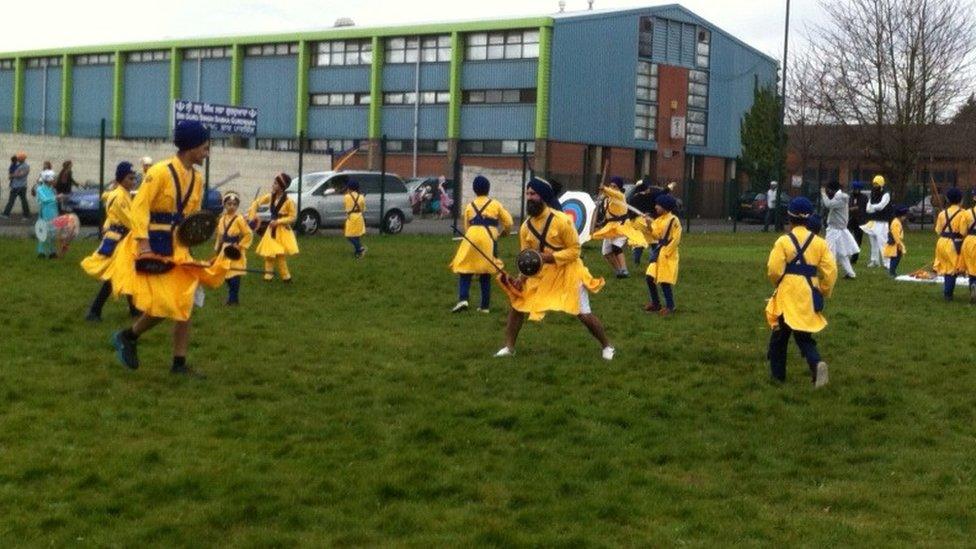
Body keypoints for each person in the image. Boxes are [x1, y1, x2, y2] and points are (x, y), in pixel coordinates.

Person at [110, 120, 226, 376]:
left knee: (184, 305)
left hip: (180, 248)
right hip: (155, 245)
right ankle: (128, 336)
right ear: (191, 147)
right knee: (167, 304)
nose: (207, 152)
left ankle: (179, 363)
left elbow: (191, 215)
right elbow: (140, 206)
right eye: (204, 147)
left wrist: (197, 238)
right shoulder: (159, 172)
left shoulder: (196, 177)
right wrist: (143, 245)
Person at [495, 178, 615, 360]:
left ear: (543, 196)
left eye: (533, 194)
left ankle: (607, 346)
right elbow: (527, 257)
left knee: (583, 313)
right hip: (541, 274)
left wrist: (548, 257)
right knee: (517, 306)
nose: (529, 197)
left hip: (569, 271)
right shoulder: (526, 227)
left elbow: (575, 251)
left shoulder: (562, 220)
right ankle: (509, 347)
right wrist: (521, 278)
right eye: (527, 194)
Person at [765, 197, 837, 388]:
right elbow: (831, 271)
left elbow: (774, 269)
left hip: (787, 294)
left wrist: (778, 282)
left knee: (780, 338)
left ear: (789, 217)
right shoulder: (819, 243)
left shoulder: (783, 241)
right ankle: (816, 363)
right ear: (809, 217)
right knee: (804, 337)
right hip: (808, 293)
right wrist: (823, 290)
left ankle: (778, 376)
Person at [81, 161, 140, 320]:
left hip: (123, 240)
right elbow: (130, 220)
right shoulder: (119, 196)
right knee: (113, 275)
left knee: (127, 272)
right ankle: (94, 311)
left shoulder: (123, 193)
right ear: (121, 179)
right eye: (130, 178)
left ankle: (133, 308)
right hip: (118, 241)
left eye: (134, 178)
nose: (133, 182)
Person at [449, 175, 514, 313]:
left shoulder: (469, 206)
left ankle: (463, 299)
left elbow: (467, 226)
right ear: (488, 189)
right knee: (486, 271)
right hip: (489, 238)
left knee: (465, 269)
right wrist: (504, 233)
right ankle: (484, 306)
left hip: (471, 237)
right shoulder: (495, 204)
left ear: (474, 190)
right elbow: (509, 222)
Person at [592, 176, 646, 278]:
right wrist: (600, 223)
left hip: (622, 226)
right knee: (606, 252)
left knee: (616, 247)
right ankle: (618, 271)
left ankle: (624, 270)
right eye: (611, 185)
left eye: (615, 186)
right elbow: (608, 214)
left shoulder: (620, 196)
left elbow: (614, 193)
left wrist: (604, 188)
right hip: (610, 227)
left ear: (619, 188)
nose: (612, 188)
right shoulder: (607, 199)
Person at [250, 173, 299, 281]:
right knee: (269, 252)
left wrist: (278, 221)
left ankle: (286, 276)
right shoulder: (270, 196)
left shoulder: (288, 201)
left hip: (282, 230)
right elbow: (257, 203)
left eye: (276, 183)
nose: (273, 185)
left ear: (282, 186)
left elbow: (293, 217)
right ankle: (268, 274)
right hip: (271, 229)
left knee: (280, 254)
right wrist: (253, 213)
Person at [643, 194, 682, 315]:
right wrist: (649, 224)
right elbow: (656, 235)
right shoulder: (659, 220)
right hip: (659, 252)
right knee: (650, 277)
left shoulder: (673, 220)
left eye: (658, 205)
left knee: (664, 281)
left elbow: (676, 239)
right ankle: (656, 303)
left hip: (667, 254)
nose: (655, 207)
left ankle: (670, 306)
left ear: (664, 207)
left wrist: (667, 252)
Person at [215, 192, 253, 305]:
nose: (232, 206)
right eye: (229, 204)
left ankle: (233, 299)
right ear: (224, 205)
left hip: (235, 250)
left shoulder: (239, 219)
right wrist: (217, 248)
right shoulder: (222, 219)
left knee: (235, 274)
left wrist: (239, 245)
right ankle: (232, 296)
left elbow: (248, 234)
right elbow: (220, 235)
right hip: (224, 250)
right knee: (225, 274)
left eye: (234, 204)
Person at [820, 180, 859, 279]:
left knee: (829, 252)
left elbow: (828, 204)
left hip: (835, 230)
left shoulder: (840, 198)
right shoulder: (840, 197)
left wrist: (823, 194)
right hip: (838, 229)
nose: (828, 192)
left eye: (828, 190)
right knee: (842, 254)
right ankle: (850, 273)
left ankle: (829, 274)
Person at [933, 187, 966, 301]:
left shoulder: (942, 213)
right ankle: (948, 294)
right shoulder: (963, 213)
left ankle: (947, 292)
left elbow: (938, 230)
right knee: (952, 270)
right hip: (954, 243)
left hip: (941, 242)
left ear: (947, 199)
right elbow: (963, 232)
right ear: (961, 200)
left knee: (946, 268)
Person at [861, 175, 892, 268]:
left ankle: (887, 262)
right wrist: (871, 208)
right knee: (873, 242)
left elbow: (881, 206)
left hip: (882, 222)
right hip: (873, 221)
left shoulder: (886, 194)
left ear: (881, 184)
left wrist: (872, 207)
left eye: (877, 184)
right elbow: (868, 206)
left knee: (882, 242)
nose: (875, 186)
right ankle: (875, 261)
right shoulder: (873, 192)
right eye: (874, 184)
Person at [35, 170, 58, 258]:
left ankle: (52, 252)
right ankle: (42, 252)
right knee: (43, 232)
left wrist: (58, 199)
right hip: (44, 213)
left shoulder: (52, 189)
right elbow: (44, 200)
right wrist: (56, 197)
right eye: (54, 178)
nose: (55, 180)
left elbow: (53, 200)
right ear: (49, 179)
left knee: (53, 232)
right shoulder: (40, 189)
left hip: (53, 212)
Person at [2, 152, 31, 218]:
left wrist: (12, 175)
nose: (17, 159)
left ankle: (26, 215)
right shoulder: (18, 164)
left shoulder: (26, 166)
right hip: (16, 186)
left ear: (22, 158)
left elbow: (21, 175)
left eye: (19, 158)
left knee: (21, 201)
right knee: (14, 200)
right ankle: (6, 214)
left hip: (20, 186)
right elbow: (13, 171)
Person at [343, 179, 367, 258]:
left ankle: (360, 248)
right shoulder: (361, 197)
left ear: (349, 188)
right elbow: (363, 209)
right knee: (356, 235)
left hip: (351, 217)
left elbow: (346, 207)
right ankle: (358, 253)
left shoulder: (346, 197)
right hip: (359, 217)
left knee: (348, 235)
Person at [959, 199, 976, 304]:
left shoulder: (967, 213)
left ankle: (973, 285)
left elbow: (962, 231)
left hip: (970, 241)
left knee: (971, 267)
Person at [884, 205, 908, 278]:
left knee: (896, 257)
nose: (905, 217)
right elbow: (896, 235)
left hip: (896, 243)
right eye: (904, 216)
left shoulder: (896, 222)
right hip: (895, 244)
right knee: (895, 258)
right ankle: (892, 272)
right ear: (900, 216)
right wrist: (899, 244)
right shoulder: (896, 223)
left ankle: (892, 271)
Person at [848, 181, 867, 264]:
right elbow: (848, 206)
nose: (856, 191)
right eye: (855, 189)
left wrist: (856, 208)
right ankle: (846, 254)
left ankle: (854, 258)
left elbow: (863, 208)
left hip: (860, 221)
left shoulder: (864, 197)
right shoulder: (850, 196)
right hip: (851, 220)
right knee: (847, 236)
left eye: (857, 189)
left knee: (858, 240)